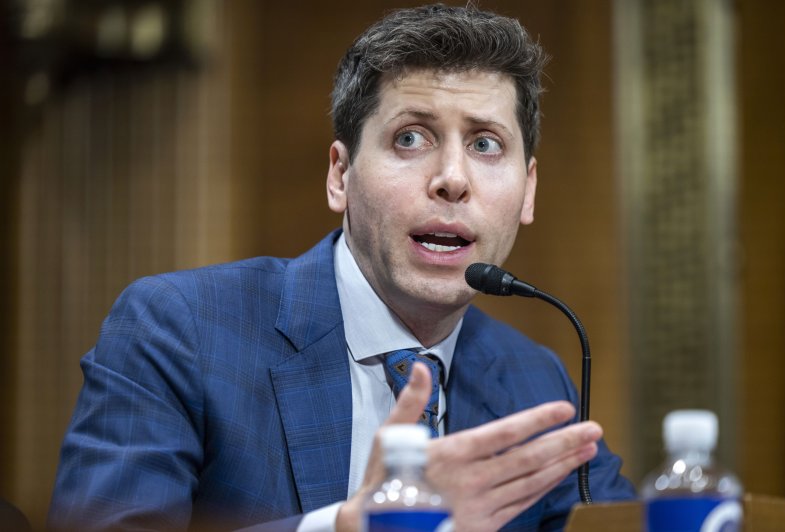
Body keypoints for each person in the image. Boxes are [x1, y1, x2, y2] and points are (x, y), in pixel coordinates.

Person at [48, 4, 635, 531]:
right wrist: (344, 528)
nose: (453, 178)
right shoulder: (179, 330)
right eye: (411, 137)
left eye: (486, 145)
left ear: (528, 191)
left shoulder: (534, 381)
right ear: (340, 175)